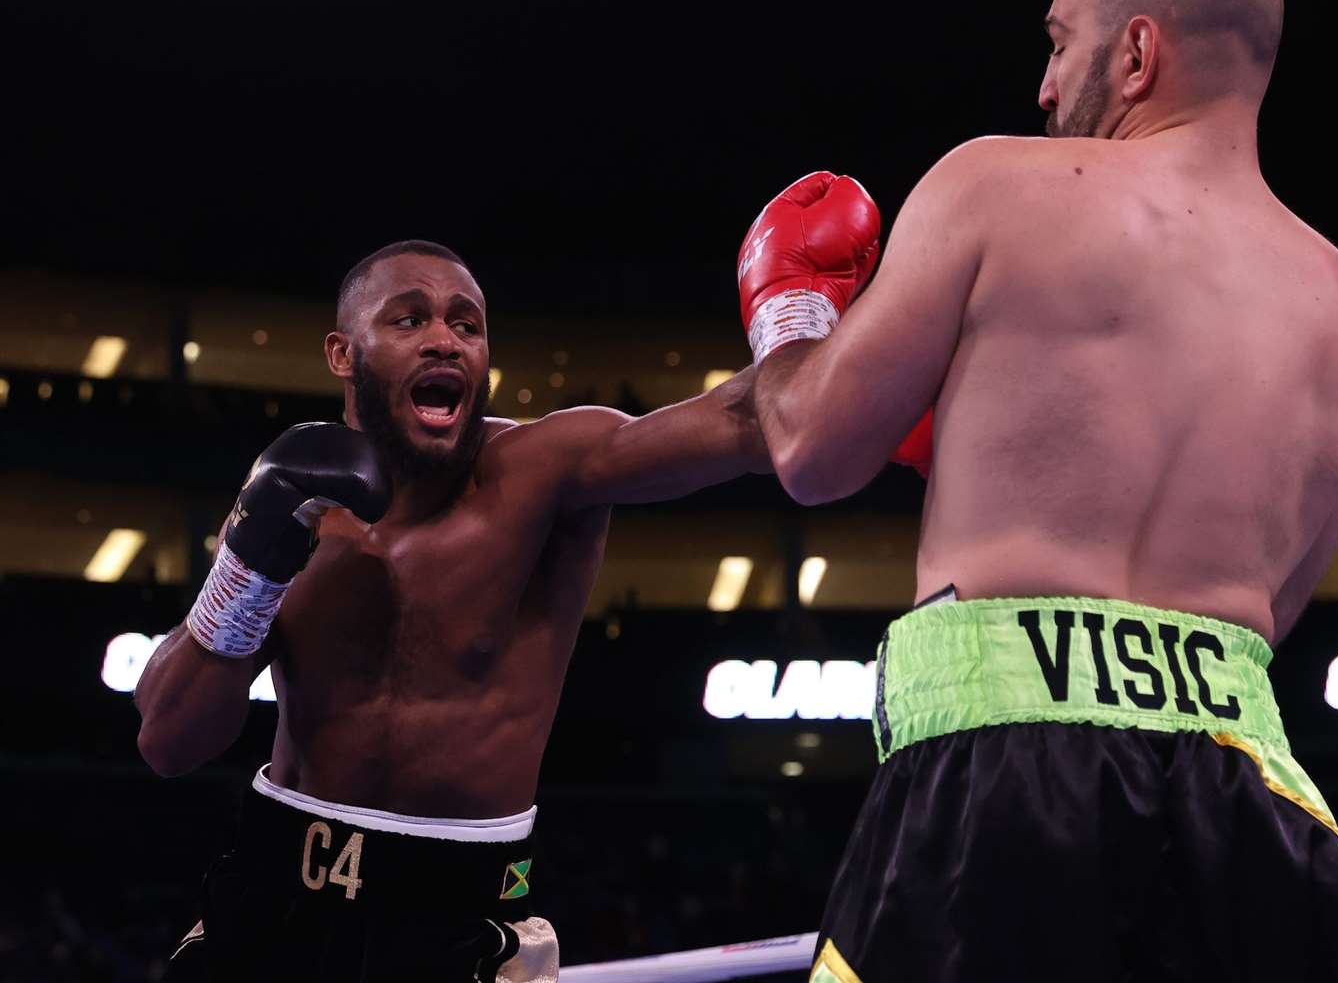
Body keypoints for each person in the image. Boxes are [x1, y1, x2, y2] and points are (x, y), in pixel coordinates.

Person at [736, 0, 1338, 981]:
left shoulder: (995, 187)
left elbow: (810, 448)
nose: (1045, 87)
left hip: (1002, 787)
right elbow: (1268, 613)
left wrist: (791, 316)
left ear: (1135, 52)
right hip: (1256, 808)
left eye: (1059, 44)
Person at [132, 237, 834, 982]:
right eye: (409, 320)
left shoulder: (545, 473)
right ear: (343, 353)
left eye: (467, 325)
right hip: (270, 902)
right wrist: (250, 561)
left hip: (455, 917)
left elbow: (751, 422)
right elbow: (169, 740)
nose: (445, 339)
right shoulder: (300, 504)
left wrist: (796, 307)